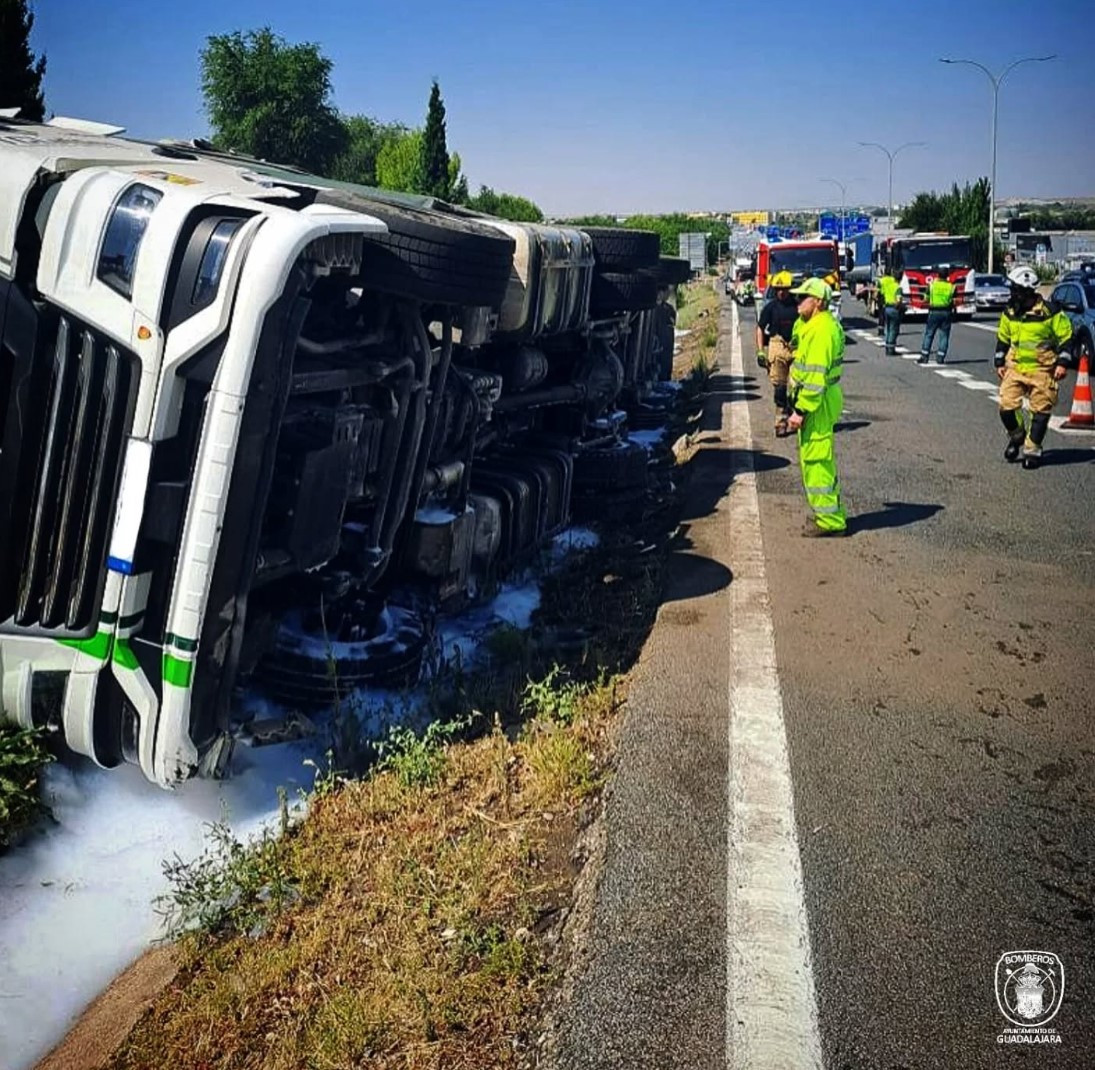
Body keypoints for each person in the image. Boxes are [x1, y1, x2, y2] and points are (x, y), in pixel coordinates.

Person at [995, 265, 1073, 469]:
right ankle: (1017, 435)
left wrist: (1063, 363)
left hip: (1042, 369)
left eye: (1016, 290)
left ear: (1027, 292)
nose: (1012, 295)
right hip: (1015, 367)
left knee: (1040, 412)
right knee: (1006, 408)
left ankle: (1032, 450)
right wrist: (999, 360)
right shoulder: (1010, 311)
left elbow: (1066, 337)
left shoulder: (1050, 312)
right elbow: (1003, 337)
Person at [786, 278, 847, 536]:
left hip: (816, 403)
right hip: (819, 400)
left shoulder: (822, 330)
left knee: (817, 461)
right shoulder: (816, 325)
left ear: (818, 302)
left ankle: (830, 521)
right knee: (817, 459)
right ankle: (828, 514)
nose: (797, 301)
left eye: (803, 297)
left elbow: (815, 377)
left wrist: (800, 411)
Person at [755, 270, 798, 436]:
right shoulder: (770, 307)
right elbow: (760, 328)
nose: (781, 292)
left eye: (784, 289)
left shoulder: (798, 306)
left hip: (796, 348)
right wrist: (760, 351)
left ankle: (795, 415)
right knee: (780, 387)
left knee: (796, 386)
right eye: (778, 289)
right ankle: (780, 421)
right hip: (777, 345)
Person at [919, 265, 955, 364]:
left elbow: (926, 299)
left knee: (929, 334)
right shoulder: (951, 287)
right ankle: (940, 357)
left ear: (938, 275)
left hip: (934, 311)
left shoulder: (932, 285)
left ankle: (924, 356)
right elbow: (954, 301)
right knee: (944, 335)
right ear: (947, 276)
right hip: (946, 312)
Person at [876, 266, 904, 355]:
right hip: (894, 308)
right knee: (893, 329)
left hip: (886, 307)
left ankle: (887, 347)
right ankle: (891, 349)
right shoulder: (898, 287)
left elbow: (880, 291)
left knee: (888, 327)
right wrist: (901, 307)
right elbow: (898, 300)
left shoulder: (885, 283)